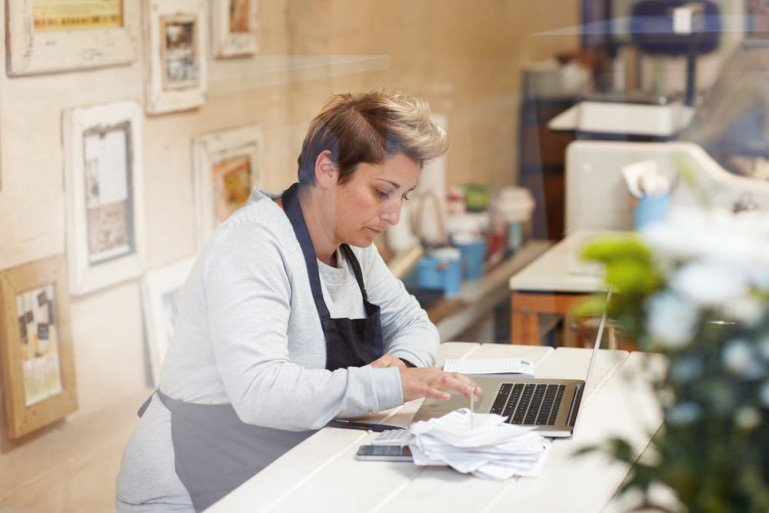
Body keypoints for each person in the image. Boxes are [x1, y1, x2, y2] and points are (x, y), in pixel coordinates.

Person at [115, 89, 481, 512]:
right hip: (193, 485)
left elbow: (414, 324)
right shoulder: (253, 246)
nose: (394, 214)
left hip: (282, 462)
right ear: (327, 169)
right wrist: (390, 385)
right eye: (383, 192)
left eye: (404, 195)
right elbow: (261, 391)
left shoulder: (354, 245)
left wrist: (402, 365)